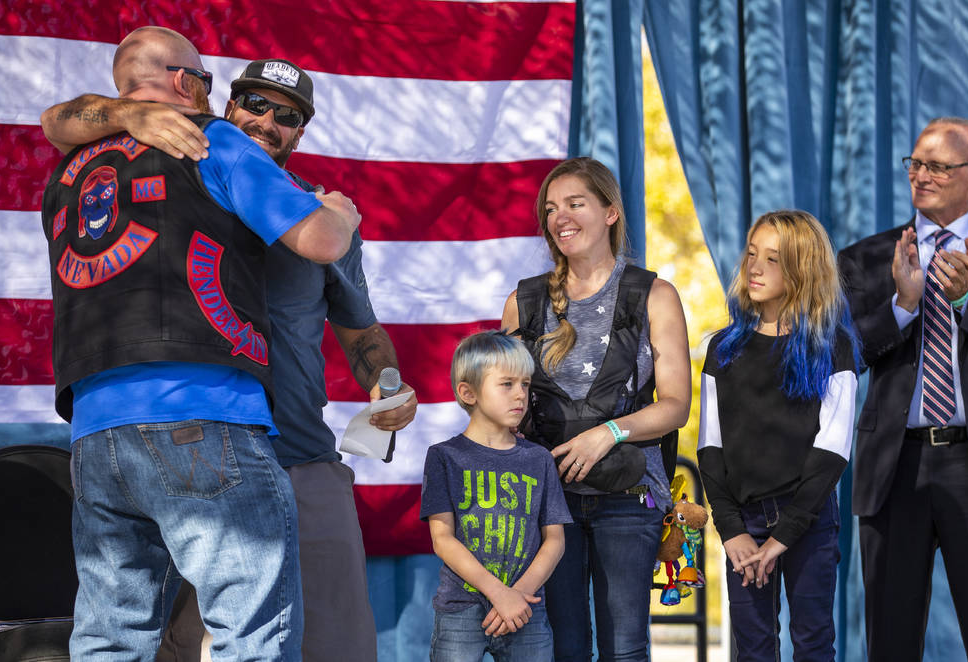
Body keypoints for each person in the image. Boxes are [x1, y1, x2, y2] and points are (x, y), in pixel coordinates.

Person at [39, 27, 360, 660]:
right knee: (252, 635)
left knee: (109, 639)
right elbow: (322, 240)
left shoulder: (67, 173)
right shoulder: (212, 140)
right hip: (204, 413)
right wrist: (343, 216)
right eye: (210, 85)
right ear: (186, 83)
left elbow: (58, 122)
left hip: (96, 433)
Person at [145, 58, 418, 662]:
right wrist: (125, 112)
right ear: (227, 105)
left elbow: (363, 337)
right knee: (173, 646)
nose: (267, 122)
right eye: (255, 104)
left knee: (341, 644)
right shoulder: (173, 190)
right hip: (194, 456)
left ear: (301, 132)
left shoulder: (327, 220)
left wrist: (390, 386)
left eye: (286, 115)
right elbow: (63, 123)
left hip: (298, 453)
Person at [838, 117, 968, 661]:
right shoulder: (867, 257)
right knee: (891, 642)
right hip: (894, 467)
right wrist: (901, 306)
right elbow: (841, 356)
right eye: (915, 164)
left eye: (938, 167)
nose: (921, 176)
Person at [500, 156, 692, 661]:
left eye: (575, 204)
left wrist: (609, 432)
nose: (560, 217)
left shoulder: (654, 294)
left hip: (628, 497)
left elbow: (675, 406)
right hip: (548, 503)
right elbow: (502, 403)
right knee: (564, 647)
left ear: (610, 212)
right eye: (550, 208)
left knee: (625, 648)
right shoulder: (524, 302)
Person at [697, 210, 859, 660]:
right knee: (753, 647)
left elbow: (832, 451)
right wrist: (731, 531)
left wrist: (784, 535)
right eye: (752, 254)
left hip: (808, 522)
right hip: (742, 525)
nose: (755, 267)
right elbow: (711, 447)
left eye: (773, 258)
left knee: (812, 642)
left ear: (802, 270)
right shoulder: (722, 348)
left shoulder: (833, 346)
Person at [419, 330, 570, 662]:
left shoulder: (539, 459)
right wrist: (499, 593)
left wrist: (518, 595)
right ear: (468, 392)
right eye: (507, 384)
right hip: (460, 610)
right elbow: (442, 539)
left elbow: (555, 539)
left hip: (526, 611)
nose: (520, 395)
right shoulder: (445, 457)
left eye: (526, 385)